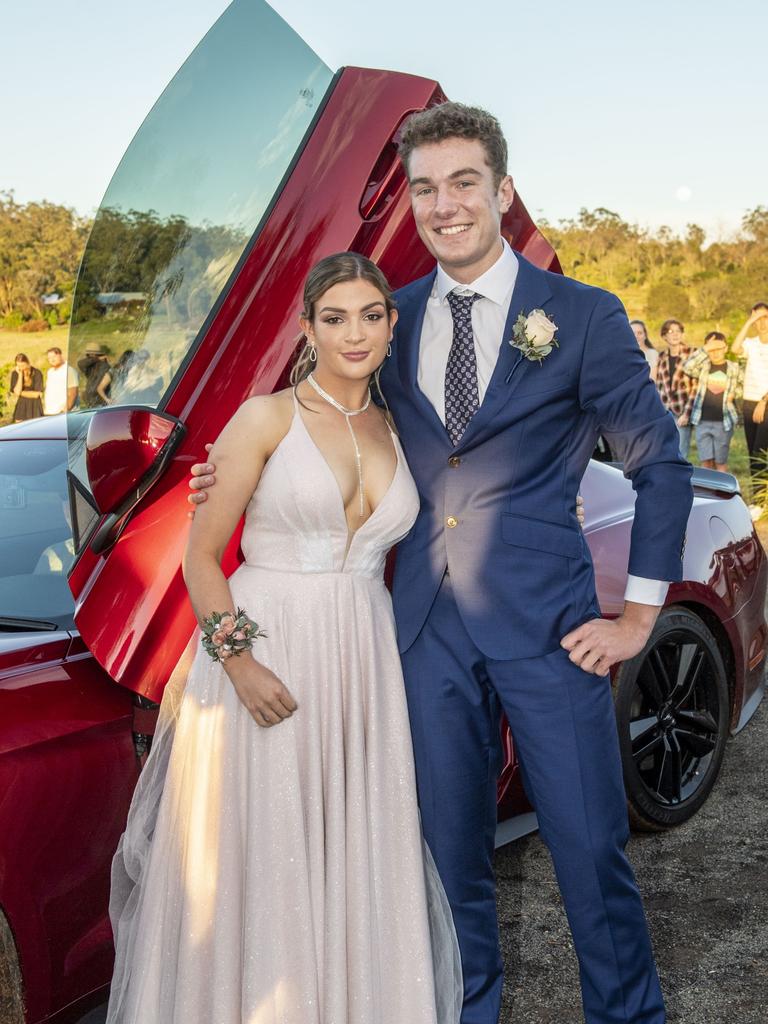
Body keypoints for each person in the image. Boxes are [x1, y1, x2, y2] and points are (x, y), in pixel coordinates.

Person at [191, 103, 693, 1024]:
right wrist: (222, 478)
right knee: (446, 862)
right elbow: (321, 426)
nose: (445, 204)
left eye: (465, 182)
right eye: (425, 187)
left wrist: (639, 614)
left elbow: (660, 464)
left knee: (589, 855)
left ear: (501, 191)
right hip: (416, 639)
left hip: (554, 633)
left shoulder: (581, 316)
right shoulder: (391, 317)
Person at [106, 254, 463, 1024]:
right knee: (261, 860)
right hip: (264, 656)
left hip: (361, 664)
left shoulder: (405, 427)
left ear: (392, 323)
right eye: (334, 318)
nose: (354, 333)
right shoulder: (265, 419)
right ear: (307, 328)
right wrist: (239, 664)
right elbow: (201, 557)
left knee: (353, 853)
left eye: (371, 314)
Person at [680, 332, 743, 472]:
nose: (715, 353)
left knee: (720, 461)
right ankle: (708, 492)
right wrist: (704, 349)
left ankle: (721, 492)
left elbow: (741, 386)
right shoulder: (704, 367)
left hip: (723, 421)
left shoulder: (733, 368)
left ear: (726, 348)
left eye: (718, 348)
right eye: (711, 349)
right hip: (703, 421)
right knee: (706, 461)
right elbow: (687, 367)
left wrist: (734, 393)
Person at [731, 302, 768, 506]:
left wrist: (764, 401)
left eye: (765, 318)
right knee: (752, 452)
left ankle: (763, 500)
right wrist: (750, 320)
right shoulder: (751, 343)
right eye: (757, 319)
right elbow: (735, 348)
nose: (761, 323)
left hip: (765, 402)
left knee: (761, 450)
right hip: (749, 402)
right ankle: (758, 499)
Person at [655, 318, 694, 458]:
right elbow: (659, 385)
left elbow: (695, 387)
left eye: (678, 331)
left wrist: (687, 414)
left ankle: (680, 480)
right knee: (664, 451)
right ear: (664, 336)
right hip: (665, 411)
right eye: (671, 331)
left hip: (682, 411)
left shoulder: (691, 354)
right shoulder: (661, 357)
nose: (675, 334)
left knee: (681, 453)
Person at [43, 347, 79, 415]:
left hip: (63, 414)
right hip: (50, 413)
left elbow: (73, 393)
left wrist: (65, 411)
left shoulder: (68, 370)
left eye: (54, 356)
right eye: (49, 358)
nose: (52, 359)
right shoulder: (50, 372)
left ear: (60, 355)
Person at [9, 353, 44, 421]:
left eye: (23, 365)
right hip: (21, 406)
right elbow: (16, 391)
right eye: (18, 366)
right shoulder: (15, 374)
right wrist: (20, 375)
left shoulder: (37, 373)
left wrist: (20, 393)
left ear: (28, 363)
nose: (21, 368)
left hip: (35, 406)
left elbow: (37, 394)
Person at [77, 342, 111, 407]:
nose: (88, 356)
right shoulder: (89, 366)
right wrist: (97, 359)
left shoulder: (103, 365)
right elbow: (80, 363)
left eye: (89, 355)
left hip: (99, 399)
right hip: (94, 399)